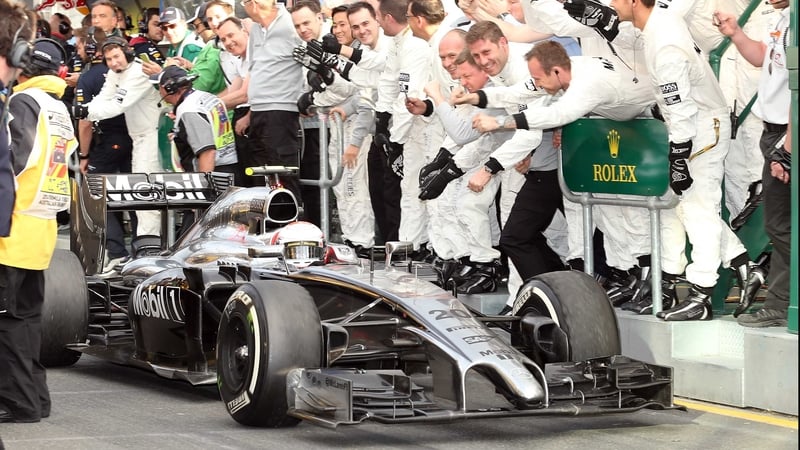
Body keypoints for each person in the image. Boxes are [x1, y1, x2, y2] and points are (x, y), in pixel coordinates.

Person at [608, 0, 750, 321]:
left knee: (697, 208)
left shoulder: (665, 41)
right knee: (689, 206)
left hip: (699, 125)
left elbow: (681, 105)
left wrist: (678, 154)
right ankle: (743, 264)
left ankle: (702, 294)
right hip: (694, 122)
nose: (610, 3)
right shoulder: (658, 22)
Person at [1, 37, 78, 424]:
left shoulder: (21, 102)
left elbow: (14, 158)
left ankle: (20, 403)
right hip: (41, 225)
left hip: (11, 228)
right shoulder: (58, 105)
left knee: (9, 322)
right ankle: (35, 399)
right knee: (26, 319)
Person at [715, 1, 791, 327]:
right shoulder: (785, 17)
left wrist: (787, 148)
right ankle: (781, 303)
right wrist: (736, 34)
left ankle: (782, 304)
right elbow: (765, 57)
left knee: (781, 225)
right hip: (776, 132)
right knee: (780, 225)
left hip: (787, 135)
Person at [73, 36, 163, 239]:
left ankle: (150, 244)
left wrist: (84, 113)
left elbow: (117, 106)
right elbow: (104, 97)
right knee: (143, 192)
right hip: (139, 139)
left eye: (117, 57)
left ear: (127, 53)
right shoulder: (116, 74)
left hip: (153, 137)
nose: (114, 63)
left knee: (146, 193)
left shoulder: (139, 71)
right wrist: (84, 109)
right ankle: (149, 242)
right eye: (109, 59)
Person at [75, 27, 135, 273]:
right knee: (136, 192)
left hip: (109, 141)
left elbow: (86, 122)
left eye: (79, 46)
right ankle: (143, 247)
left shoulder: (88, 78)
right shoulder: (125, 72)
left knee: (97, 193)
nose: (78, 51)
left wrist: (84, 155)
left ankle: (118, 252)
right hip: (136, 140)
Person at [242, 0, 305, 200]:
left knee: (283, 175)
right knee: (261, 178)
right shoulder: (255, 31)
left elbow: (309, 61)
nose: (246, 6)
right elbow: (256, 71)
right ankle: (267, 227)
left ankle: (289, 226)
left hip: (282, 109)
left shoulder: (290, 24)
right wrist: (250, 113)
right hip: (258, 111)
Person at [154, 65, 239, 180]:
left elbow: (207, 152)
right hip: (230, 166)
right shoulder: (204, 97)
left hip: (214, 172)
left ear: (169, 89)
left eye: (160, 87)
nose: (159, 91)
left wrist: (203, 185)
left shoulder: (189, 110)